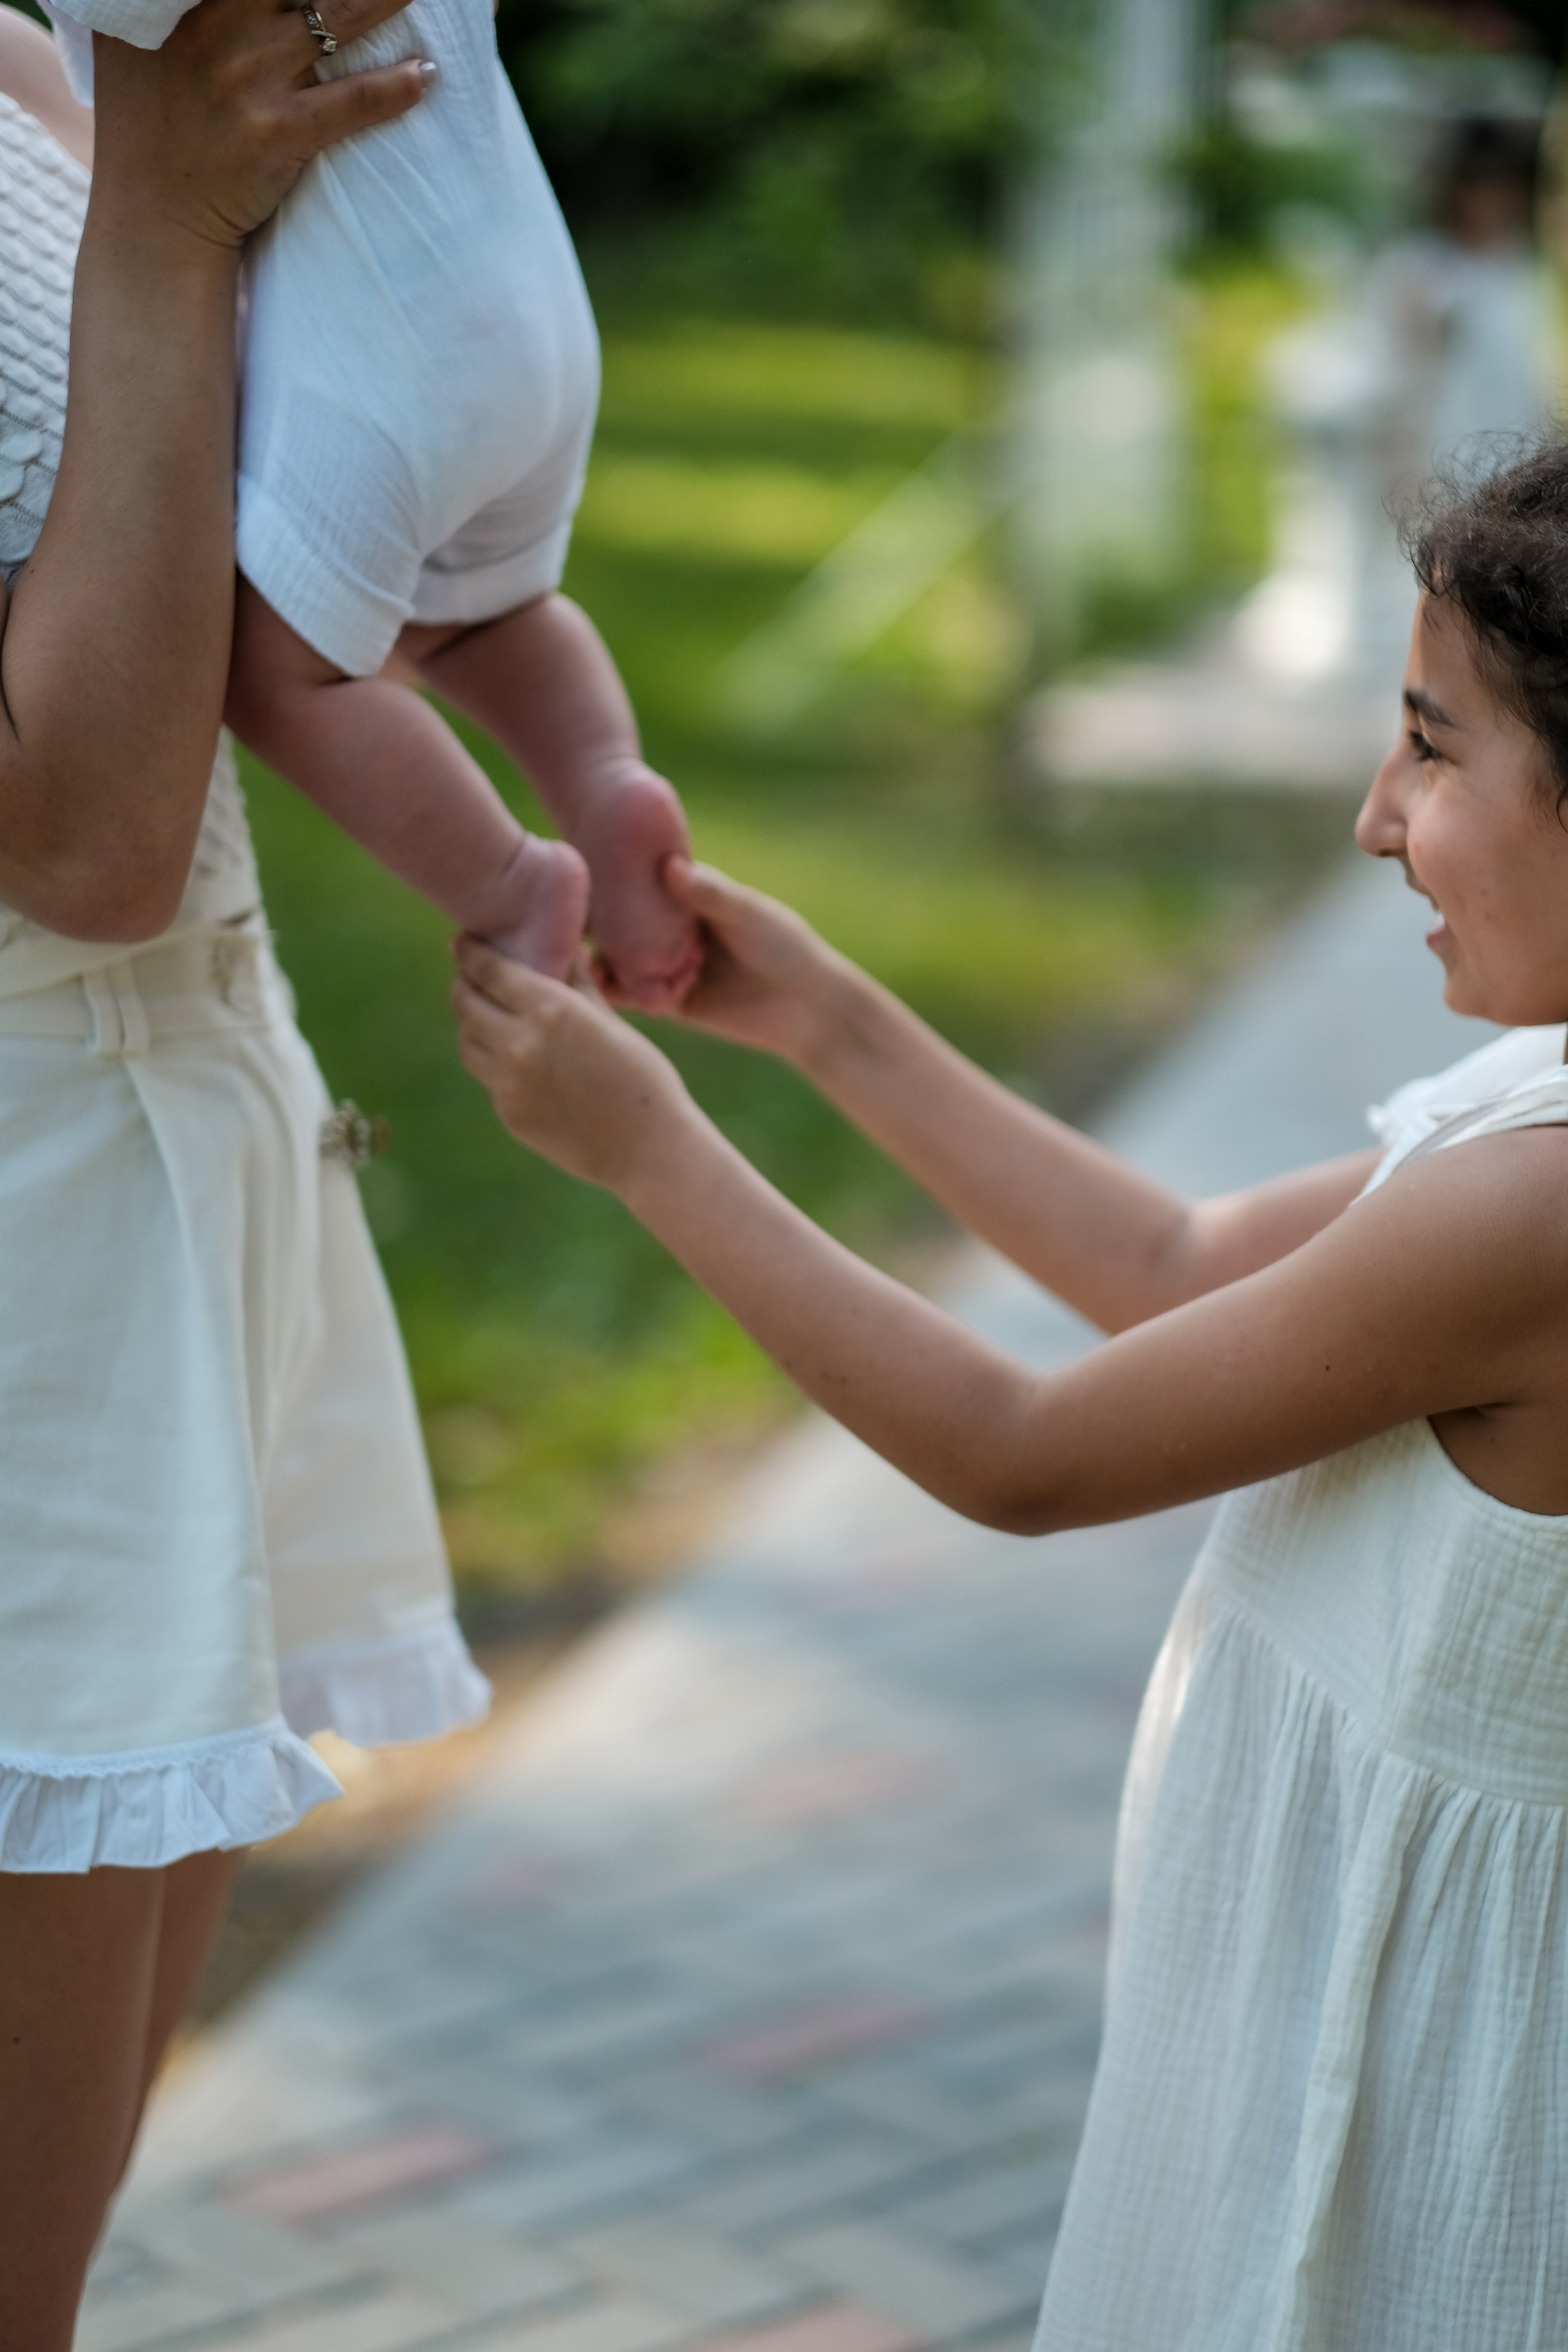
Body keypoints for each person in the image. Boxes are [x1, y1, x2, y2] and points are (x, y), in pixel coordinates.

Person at [453, 438, 1568, 2346]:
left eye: (1436, 747)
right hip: (1310, 2025)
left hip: (1421, 2095)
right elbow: (1175, 1268)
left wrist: (650, 1152)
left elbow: (1024, 1454)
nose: (1377, 819)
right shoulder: (1522, 1117)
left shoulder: (1540, 1209)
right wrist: (827, 1023)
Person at [0, 4, 491, 2345]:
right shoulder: (132, 141)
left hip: (187, 1163)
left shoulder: (51, 60)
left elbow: (268, 568)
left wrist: (545, 806)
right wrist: (173, 223)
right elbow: (83, 829)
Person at [42, 0, 701, 1005]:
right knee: (482, 614)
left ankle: (517, 887)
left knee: (278, 679)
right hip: (533, 301)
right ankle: (603, 780)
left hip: (387, 354)